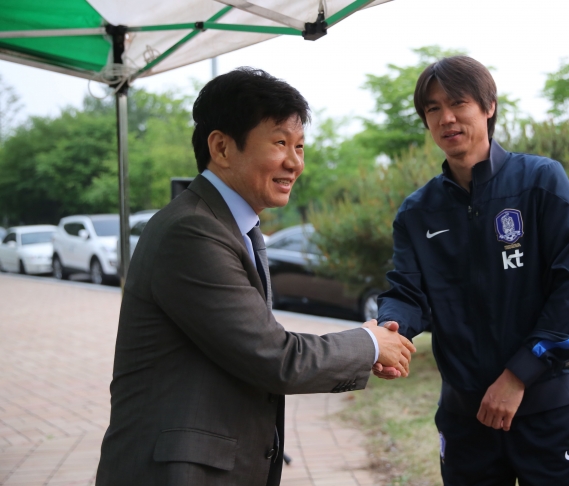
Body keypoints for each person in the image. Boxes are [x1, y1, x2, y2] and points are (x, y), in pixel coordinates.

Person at [96, 67, 416, 486]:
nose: (295, 162)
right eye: (280, 143)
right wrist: (371, 343)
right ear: (222, 147)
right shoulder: (192, 230)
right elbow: (275, 357)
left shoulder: (235, 226)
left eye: (300, 146)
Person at [375, 56, 569, 485]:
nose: (447, 117)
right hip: (466, 416)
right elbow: (408, 291)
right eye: (433, 108)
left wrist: (517, 377)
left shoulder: (541, 181)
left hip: (547, 408)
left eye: (458, 102)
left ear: (488, 106)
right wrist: (389, 329)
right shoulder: (417, 212)